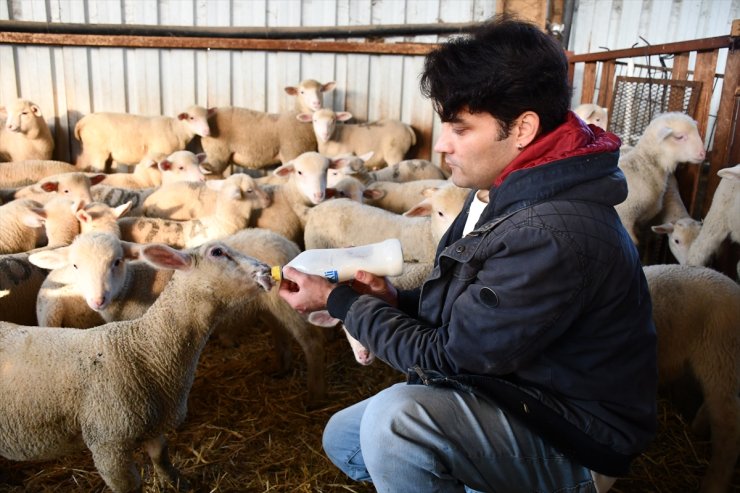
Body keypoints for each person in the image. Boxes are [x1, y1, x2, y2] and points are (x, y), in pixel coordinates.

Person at [278, 15, 657, 493]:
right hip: (518, 392)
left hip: (574, 436)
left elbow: (453, 357)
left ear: (522, 128)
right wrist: (395, 301)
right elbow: (477, 311)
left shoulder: (551, 231)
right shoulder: (501, 193)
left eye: (460, 128)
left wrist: (341, 304)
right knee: (345, 437)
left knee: (396, 423)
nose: (441, 145)